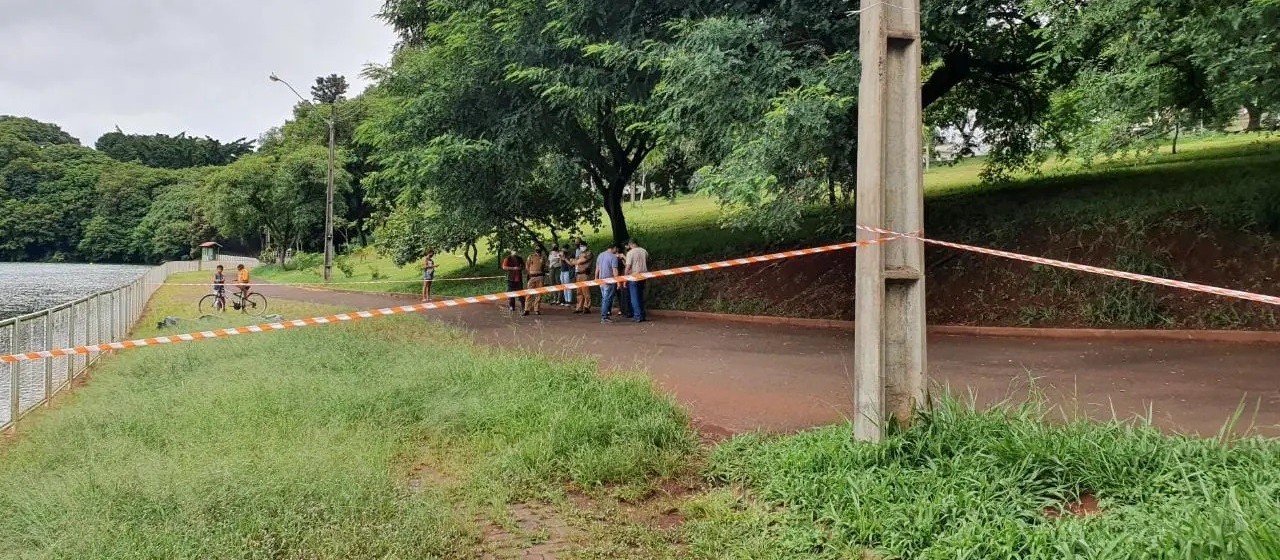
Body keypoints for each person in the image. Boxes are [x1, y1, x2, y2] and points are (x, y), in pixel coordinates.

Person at [595, 244, 622, 323]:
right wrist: (618, 282)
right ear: (614, 248)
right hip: (609, 281)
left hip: (601, 280)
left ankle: (606, 313)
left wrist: (596, 277)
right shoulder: (613, 257)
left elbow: (597, 267)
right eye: (616, 249)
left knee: (604, 298)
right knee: (606, 299)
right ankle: (604, 316)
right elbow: (615, 271)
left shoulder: (600, 255)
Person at [625, 239, 650, 322]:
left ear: (630, 244)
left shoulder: (630, 253)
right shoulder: (644, 251)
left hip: (633, 276)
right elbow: (647, 261)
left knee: (634, 297)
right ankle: (642, 315)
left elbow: (628, 266)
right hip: (643, 276)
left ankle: (637, 316)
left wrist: (625, 277)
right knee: (640, 296)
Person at [523, 246, 546, 316]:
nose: (538, 250)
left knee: (539, 294)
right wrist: (530, 273)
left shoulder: (543, 257)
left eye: (539, 248)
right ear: (535, 250)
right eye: (537, 248)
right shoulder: (530, 256)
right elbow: (527, 266)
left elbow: (544, 266)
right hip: (532, 277)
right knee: (529, 293)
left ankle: (536, 309)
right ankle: (527, 309)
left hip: (540, 276)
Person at [501, 249, 525, 314]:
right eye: (514, 251)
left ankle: (523, 306)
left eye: (516, 251)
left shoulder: (520, 258)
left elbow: (524, 266)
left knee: (521, 293)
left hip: (519, 279)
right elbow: (504, 267)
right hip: (510, 279)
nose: (515, 252)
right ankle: (512, 306)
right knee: (511, 293)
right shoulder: (508, 258)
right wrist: (513, 268)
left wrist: (521, 268)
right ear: (511, 252)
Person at [573, 241, 593, 314]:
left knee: (586, 292)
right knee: (579, 291)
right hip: (578, 274)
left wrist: (576, 261)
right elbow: (574, 262)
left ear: (586, 246)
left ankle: (586, 307)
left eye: (582, 245)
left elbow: (579, 261)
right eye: (580, 246)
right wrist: (576, 261)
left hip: (585, 274)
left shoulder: (589, 253)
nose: (581, 247)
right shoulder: (580, 254)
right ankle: (579, 307)